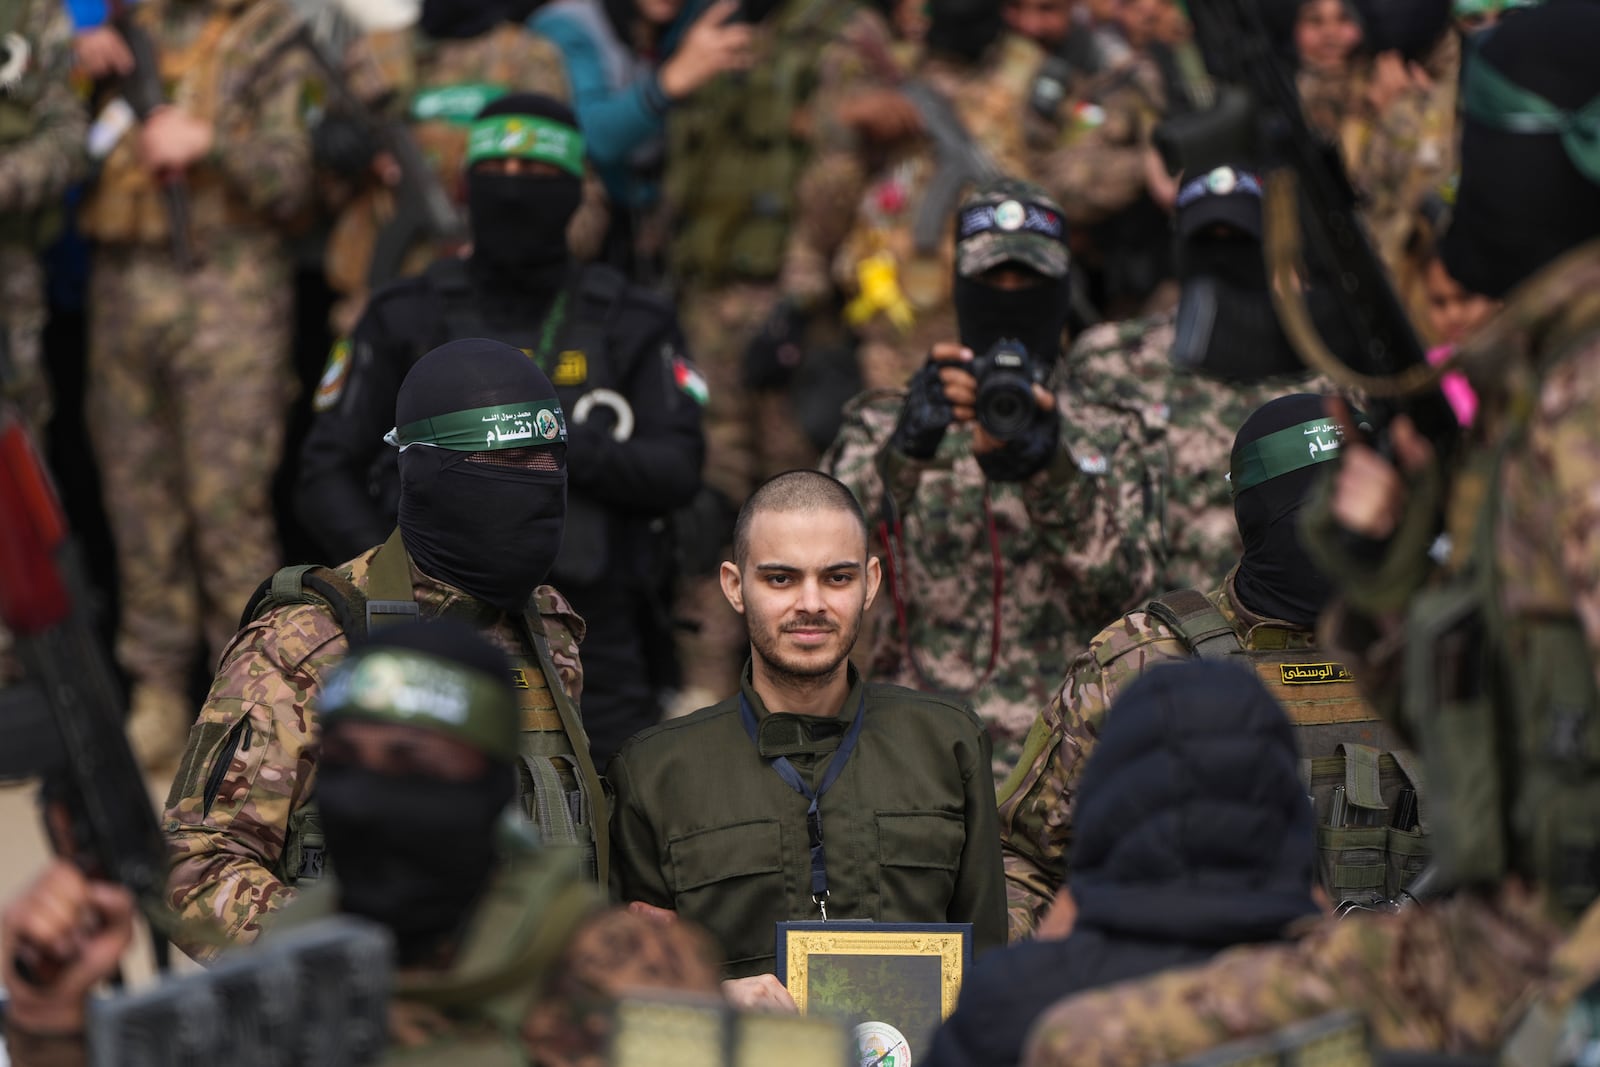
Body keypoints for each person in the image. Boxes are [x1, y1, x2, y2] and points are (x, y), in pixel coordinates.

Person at [1022, 5, 1600, 1063]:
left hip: (1550, 961)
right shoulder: (1526, 394)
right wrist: (1384, 583)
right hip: (1490, 932)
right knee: (1085, 1039)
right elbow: (1496, 726)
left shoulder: (1574, 410)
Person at [1, 622, 723, 1066]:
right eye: (345, 761)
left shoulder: (624, 974)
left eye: (412, 763)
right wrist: (48, 1017)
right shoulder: (291, 971)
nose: (371, 798)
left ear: (488, 788)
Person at [299, 92, 705, 767]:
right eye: (499, 171)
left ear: (576, 192)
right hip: (423, 634)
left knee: (615, 839)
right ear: (467, 187)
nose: (516, 193)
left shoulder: (634, 318)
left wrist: (557, 441)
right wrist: (394, 589)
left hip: (597, 640)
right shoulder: (405, 313)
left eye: (539, 176)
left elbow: (680, 467)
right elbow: (324, 472)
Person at [165, 338, 605, 959]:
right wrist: (379, 960)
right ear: (423, 473)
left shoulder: (548, 628)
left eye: (548, 461)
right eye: (504, 466)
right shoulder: (310, 643)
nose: (537, 486)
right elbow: (196, 871)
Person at [996, 394, 1409, 939]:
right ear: (1266, 523)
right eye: (1330, 516)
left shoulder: (1440, 643)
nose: (1359, 533)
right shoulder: (1143, 661)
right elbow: (1025, 860)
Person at [609, 469, 1008, 999]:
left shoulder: (946, 743)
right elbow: (630, 1000)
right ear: (734, 586)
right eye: (781, 579)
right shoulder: (657, 772)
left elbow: (989, 971)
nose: (812, 603)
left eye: (837, 578)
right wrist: (712, 999)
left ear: (870, 583)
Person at [826, 178, 1154, 779]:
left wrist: (1049, 473)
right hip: (913, 756)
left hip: (1068, 760)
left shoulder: (1108, 433)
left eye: (1027, 283)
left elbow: (1125, 596)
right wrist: (905, 452)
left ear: (1059, 291)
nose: (1010, 299)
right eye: (991, 284)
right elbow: (821, 567)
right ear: (960, 290)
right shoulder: (885, 422)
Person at [73, 0, 314, 772]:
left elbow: (296, 179)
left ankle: (244, 698)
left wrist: (210, 141)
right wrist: (79, 67)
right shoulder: (119, 31)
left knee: (226, 505)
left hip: (230, 292)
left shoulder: (273, 32)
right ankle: (156, 691)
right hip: (123, 293)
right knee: (138, 502)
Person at [925, 660, 1323, 1067]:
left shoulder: (1009, 1004)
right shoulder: (1355, 985)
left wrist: (1040, 964)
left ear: (1104, 802)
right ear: (1288, 808)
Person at [1058, 162, 1331, 591]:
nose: (1223, 257)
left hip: (1289, 634)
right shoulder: (1109, 364)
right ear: (1178, 247)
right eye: (1206, 240)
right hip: (1155, 636)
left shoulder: (1324, 366)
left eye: (1240, 240)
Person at [319, 0, 580, 332]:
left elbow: (574, 194)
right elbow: (312, 198)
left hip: (494, 302)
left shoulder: (530, 59)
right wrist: (334, 147)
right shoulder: (371, 56)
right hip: (377, 296)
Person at [530, 0, 754, 275]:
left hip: (673, 230)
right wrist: (670, 83)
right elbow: (591, 136)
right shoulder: (568, 25)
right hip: (590, 234)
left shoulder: (693, 18)